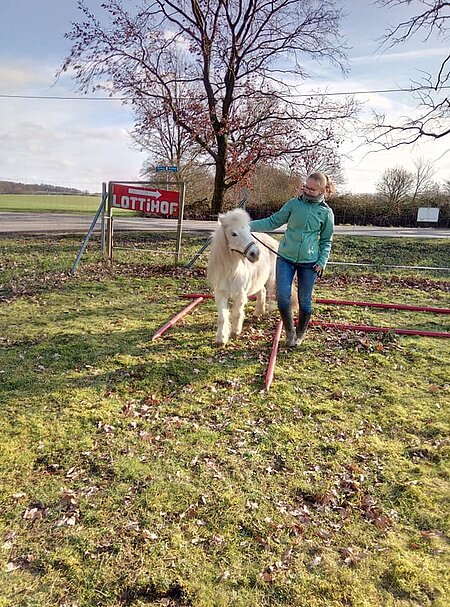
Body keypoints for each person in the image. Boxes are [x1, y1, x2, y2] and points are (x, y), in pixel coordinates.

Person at [249, 172, 335, 347]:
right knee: (283, 298)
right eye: (306, 187)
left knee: (305, 301)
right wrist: (247, 225)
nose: (308, 191)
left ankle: (300, 333)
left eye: (312, 189)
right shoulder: (293, 204)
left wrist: (322, 261)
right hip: (285, 257)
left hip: (309, 262)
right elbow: (273, 221)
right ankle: (289, 333)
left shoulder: (326, 213)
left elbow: (327, 240)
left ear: (322, 190)